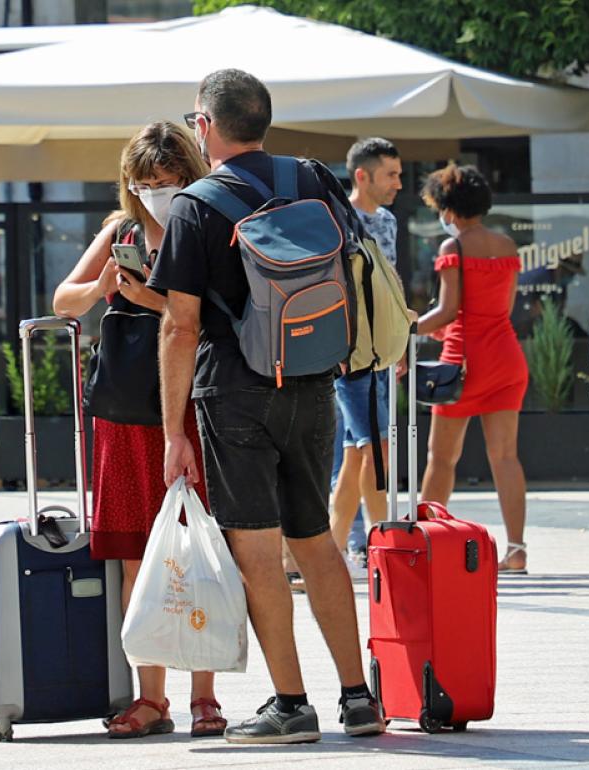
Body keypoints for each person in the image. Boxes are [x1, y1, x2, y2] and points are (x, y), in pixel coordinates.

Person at [150, 68, 385, 745]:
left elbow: (180, 325)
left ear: (207, 124)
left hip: (234, 388)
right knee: (317, 541)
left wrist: (174, 431)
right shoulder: (311, 178)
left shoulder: (196, 205)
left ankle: (290, 705)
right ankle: (359, 697)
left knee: (258, 551)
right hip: (313, 381)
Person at [52, 121, 226, 740]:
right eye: (144, 182)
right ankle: (152, 697)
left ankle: (205, 694)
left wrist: (158, 304)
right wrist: (103, 287)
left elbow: (218, 321)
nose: (154, 191)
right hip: (123, 412)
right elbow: (62, 302)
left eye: (166, 180)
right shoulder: (118, 231)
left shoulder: (206, 228)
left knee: (198, 554)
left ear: (188, 177)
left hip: (188, 413)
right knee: (132, 557)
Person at [414, 163, 531, 574]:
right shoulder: (507, 246)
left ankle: (423, 542)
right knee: (506, 457)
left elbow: (448, 311)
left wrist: (408, 328)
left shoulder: (454, 249)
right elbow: (503, 310)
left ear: (448, 209)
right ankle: (516, 550)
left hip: (464, 362)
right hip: (506, 357)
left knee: (442, 459)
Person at [326, 137, 402, 570]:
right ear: (362, 175)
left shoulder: (388, 222)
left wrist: (399, 341)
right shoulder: (340, 221)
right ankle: (378, 545)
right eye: (390, 174)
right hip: (351, 352)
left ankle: (341, 547)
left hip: (380, 351)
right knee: (373, 447)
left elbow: (390, 284)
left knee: (361, 449)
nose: (397, 183)